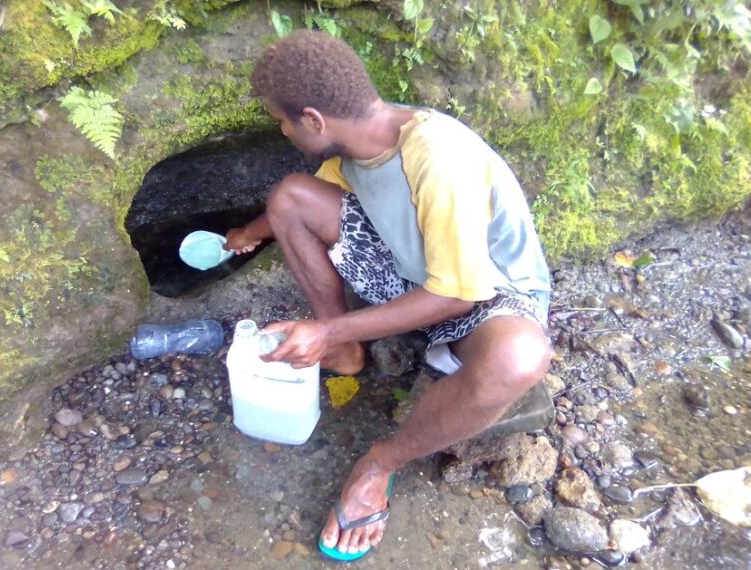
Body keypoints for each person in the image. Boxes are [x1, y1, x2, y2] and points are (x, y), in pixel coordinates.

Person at [224, 30, 553, 562]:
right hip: (413, 277)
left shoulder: (437, 155)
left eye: (282, 121)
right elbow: (304, 205)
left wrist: (326, 326)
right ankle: (345, 352)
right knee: (290, 196)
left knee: (521, 357)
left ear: (313, 119)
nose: (282, 131)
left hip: (488, 299)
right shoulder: (358, 148)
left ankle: (379, 465)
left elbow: (458, 294)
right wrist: (247, 233)